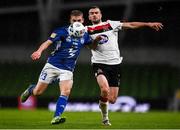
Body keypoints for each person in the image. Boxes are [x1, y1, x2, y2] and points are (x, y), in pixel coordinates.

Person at [87, 6, 163, 126]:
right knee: (104, 89)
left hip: (115, 65)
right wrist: (96, 40)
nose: (94, 15)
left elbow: (131, 25)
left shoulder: (111, 24)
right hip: (99, 63)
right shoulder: (88, 30)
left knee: (112, 100)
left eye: (96, 13)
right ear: (89, 16)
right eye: (92, 13)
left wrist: (148, 24)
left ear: (101, 15)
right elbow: (91, 47)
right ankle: (105, 118)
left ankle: (102, 103)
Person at [20, 10, 100, 125]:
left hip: (68, 69)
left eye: (79, 20)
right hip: (53, 65)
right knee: (38, 92)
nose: (76, 22)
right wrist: (39, 51)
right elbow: (48, 42)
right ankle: (31, 89)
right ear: (70, 20)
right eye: (74, 20)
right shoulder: (62, 31)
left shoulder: (86, 34)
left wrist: (96, 41)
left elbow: (91, 46)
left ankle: (56, 117)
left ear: (83, 20)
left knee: (66, 91)